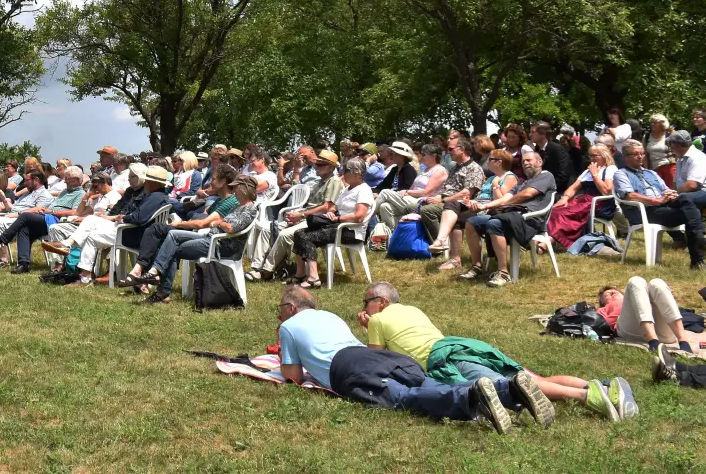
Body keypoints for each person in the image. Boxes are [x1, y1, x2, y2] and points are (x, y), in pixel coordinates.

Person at [275, 285, 543, 433]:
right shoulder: (330, 316)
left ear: (291, 308)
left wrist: (282, 354)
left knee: (404, 398)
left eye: (280, 309)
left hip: (348, 368)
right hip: (381, 357)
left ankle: (471, 397)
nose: (278, 315)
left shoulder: (288, 326)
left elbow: (294, 376)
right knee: (425, 385)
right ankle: (508, 389)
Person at [358, 281, 629, 419]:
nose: (363, 307)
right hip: (464, 345)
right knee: (532, 378)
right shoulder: (413, 309)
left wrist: (368, 327)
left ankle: (589, 397)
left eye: (366, 301)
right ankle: (601, 386)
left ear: (381, 301)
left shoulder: (378, 319)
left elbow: (376, 359)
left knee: (513, 386)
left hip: (445, 358)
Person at [139, 175, 259, 303]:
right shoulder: (238, 206)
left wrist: (219, 223)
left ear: (244, 189)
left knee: (172, 249)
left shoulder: (249, 209)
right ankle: (154, 271)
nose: (234, 190)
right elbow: (224, 224)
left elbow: (230, 228)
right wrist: (220, 223)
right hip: (211, 239)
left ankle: (161, 292)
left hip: (220, 246)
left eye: (236, 187)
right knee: (173, 234)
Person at [459, 146, 555, 287]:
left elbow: (527, 194)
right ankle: (476, 266)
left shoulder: (546, 176)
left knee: (494, 223)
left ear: (539, 162)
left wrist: (506, 203)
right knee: (472, 222)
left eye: (529, 160)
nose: (525, 163)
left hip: (530, 220)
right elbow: (504, 199)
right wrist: (484, 206)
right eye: (523, 161)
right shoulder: (522, 183)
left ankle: (503, 273)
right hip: (512, 216)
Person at [249, 151, 343, 281]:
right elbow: (297, 187)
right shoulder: (320, 182)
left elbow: (326, 207)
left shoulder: (334, 181)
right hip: (306, 217)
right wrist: (297, 169)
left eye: (321, 165)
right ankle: (256, 267)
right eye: (316, 164)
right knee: (266, 229)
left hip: (317, 221)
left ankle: (266, 271)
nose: (316, 167)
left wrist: (301, 215)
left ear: (331, 167)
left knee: (284, 234)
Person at [614, 139, 705, 268]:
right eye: (636, 154)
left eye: (642, 153)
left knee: (686, 199)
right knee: (692, 213)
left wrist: (670, 194)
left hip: (664, 206)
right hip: (645, 212)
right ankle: (698, 251)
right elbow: (629, 196)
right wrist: (657, 200)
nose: (640, 157)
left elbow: (665, 189)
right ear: (626, 157)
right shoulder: (621, 174)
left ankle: (698, 248)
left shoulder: (651, 173)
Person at [289, 157, 373, 289]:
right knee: (298, 233)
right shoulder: (348, 189)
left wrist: (338, 219)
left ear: (356, 174)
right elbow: (334, 206)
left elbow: (359, 217)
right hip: (338, 226)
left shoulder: (364, 190)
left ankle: (314, 278)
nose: (343, 173)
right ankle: (300, 274)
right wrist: (331, 213)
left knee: (306, 237)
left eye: (346, 171)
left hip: (351, 231)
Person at [0, 166, 85, 273]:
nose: (65, 181)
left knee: (25, 216)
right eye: (65, 178)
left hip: (58, 221)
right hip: (47, 217)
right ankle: (23, 264)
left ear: (77, 180)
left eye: (68, 178)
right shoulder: (64, 192)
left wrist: (52, 212)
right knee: (24, 228)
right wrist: (43, 210)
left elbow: (75, 212)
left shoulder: (80, 194)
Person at [423, 139, 486, 271]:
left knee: (428, 210)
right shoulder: (454, 168)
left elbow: (467, 193)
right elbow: (447, 189)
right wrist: (436, 197)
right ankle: (445, 251)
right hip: (451, 204)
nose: (448, 152)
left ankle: (440, 243)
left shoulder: (474, 168)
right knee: (413, 207)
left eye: (451, 149)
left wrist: (444, 200)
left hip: (467, 205)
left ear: (461, 149)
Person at [597, 278, 702, 353]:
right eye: (607, 295)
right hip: (631, 331)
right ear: (603, 302)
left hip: (663, 333)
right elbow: (598, 322)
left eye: (614, 292)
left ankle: (683, 341)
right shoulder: (603, 309)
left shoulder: (641, 297)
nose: (612, 294)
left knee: (657, 283)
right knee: (635, 281)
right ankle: (653, 341)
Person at [370, 143, 445, 247]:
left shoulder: (439, 170)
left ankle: (366, 218)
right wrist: (407, 192)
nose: (421, 156)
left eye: (424, 154)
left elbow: (426, 192)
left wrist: (407, 192)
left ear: (434, 156)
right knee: (384, 206)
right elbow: (410, 189)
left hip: (423, 201)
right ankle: (393, 240)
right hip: (412, 199)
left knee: (385, 192)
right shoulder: (424, 170)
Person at [546, 144, 615, 250]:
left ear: (604, 156)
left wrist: (595, 175)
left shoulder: (610, 169)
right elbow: (573, 187)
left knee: (567, 213)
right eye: (590, 156)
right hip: (584, 200)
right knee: (556, 210)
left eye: (595, 155)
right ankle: (549, 239)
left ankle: (549, 242)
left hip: (600, 203)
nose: (591, 158)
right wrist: (565, 198)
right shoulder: (587, 171)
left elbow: (606, 191)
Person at [529, 121, 578, 193]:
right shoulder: (537, 150)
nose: (530, 135)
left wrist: (547, 188)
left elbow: (564, 174)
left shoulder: (557, 149)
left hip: (561, 190)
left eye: (533, 132)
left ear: (543, 134)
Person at [646, 115, 674, 181]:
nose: (652, 124)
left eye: (655, 122)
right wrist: (646, 170)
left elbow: (678, 151)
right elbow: (645, 154)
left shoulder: (670, 134)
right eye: (651, 122)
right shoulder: (647, 136)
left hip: (669, 167)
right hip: (653, 169)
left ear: (662, 124)